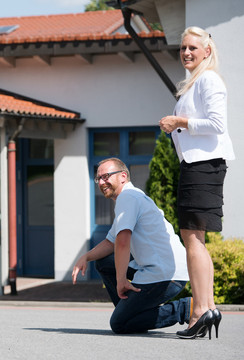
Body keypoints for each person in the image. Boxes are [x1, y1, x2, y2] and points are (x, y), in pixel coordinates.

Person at [159, 26, 234, 339]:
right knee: (195, 238)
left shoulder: (208, 79)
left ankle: (202, 310)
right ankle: (205, 307)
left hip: (204, 167)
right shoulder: (194, 83)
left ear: (206, 51)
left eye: (192, 48)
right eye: (183, 48)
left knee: (193, 239)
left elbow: (217, 124)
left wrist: (178, 122)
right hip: (197, 166)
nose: (186, 53)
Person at [72, 158, 192, 335]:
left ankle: (186, 308)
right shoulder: (130, 198)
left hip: (166, 275)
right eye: (98, 178)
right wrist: (86, 257)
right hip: (164, 270)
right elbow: (110, 242)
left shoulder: (127, 198)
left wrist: (121, 280)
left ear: (123, 176)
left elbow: (122, 242)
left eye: (106, 176)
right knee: (104, 262)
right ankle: (129, 311)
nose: (101, 182)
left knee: (119, 324)